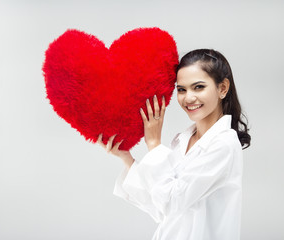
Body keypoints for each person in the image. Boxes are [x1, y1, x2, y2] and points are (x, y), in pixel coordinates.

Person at [97, 49, 251, 240]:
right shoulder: (183, 140)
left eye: (199, 87)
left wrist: (153, 143)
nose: (188, 98)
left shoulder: (224, 144)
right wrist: (127, 158)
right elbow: (162, 208)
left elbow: (172, 201)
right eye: (181, 89)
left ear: (222, 88)